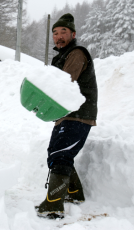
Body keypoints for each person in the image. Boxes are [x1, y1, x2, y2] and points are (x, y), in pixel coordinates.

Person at [36, 13, 98, 219]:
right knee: (56, 152)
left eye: (63, 32)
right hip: (67, 114)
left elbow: (64, 81)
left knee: (60, 155)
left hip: (78, 114)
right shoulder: (61, 55)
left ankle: (53, 205)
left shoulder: (77, 53)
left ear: (73, 34)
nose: (59, 36)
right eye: (55, 33)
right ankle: (74, 193)